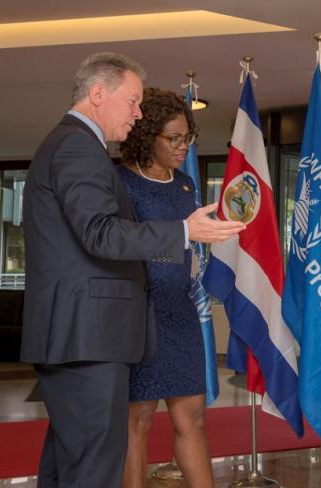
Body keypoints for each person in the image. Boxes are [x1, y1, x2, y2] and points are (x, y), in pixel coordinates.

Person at [21, 52, 244, 488]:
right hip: (87, 336)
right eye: (133, 101)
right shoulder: (76, 146)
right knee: (92, 467)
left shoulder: (72, 145)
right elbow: (100, 233)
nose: (138, 113)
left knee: (69, 465)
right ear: (98, 93)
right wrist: (183, 231)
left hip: (82, 334)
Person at [117, 87, 213, 488]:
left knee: (191, 415)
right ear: (146, 136)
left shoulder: (186, 184)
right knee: (136, 420)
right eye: (172, 138)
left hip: (180, 311)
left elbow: (191, 239)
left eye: (187, 137)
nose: (182, 146)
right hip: (138, 315)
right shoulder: (118, 181)